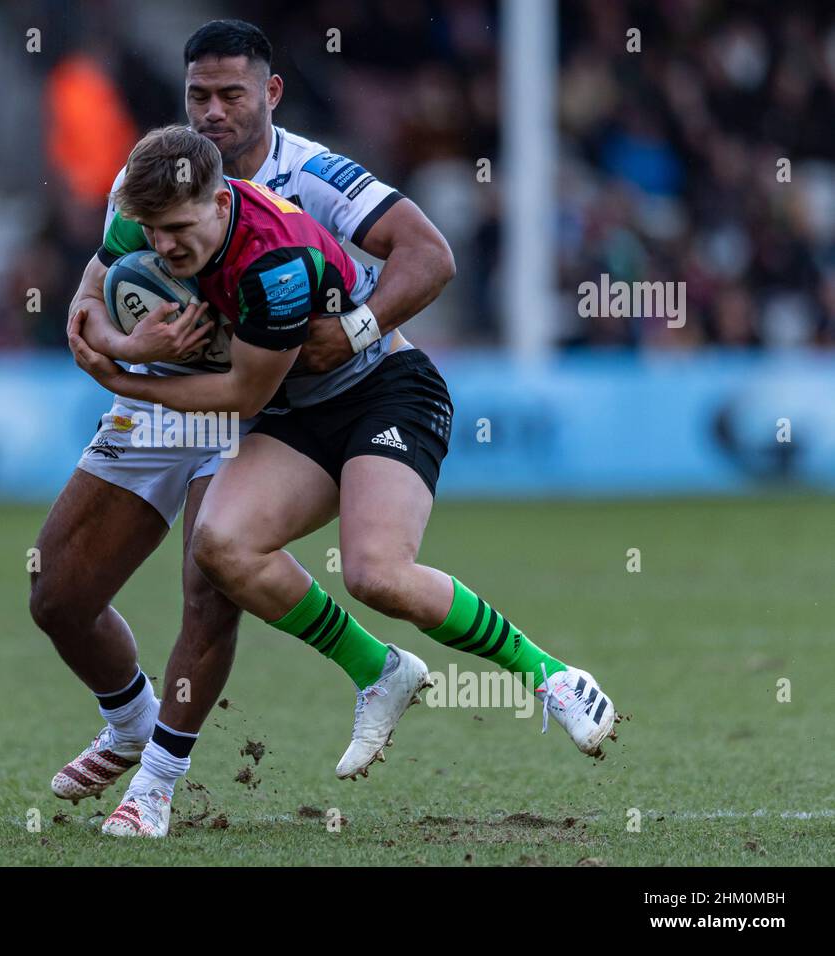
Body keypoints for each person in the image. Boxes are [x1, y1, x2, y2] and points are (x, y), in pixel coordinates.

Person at [70, 125, 618, 839]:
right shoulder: (140, 216)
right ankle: (377, 668)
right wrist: (123, 347)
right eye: (152, 232)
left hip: (383, 393)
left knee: (378, 573)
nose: (163, 247)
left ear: (216, 200)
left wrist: (117, 375)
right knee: (222, 546)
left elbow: (238, 396)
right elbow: (89, 296)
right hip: (297, 412)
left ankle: (552, 676)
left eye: (177, 231)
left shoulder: (274, 260)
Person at [33, 19, 455, 810]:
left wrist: (356, 328)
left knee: (209, 582)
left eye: (232, 94)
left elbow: (429, 254)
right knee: (57, 594)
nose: (214, 111)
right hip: (163, 393)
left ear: (271, 93)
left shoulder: (315, 175)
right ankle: (129, 723)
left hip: (255, 404)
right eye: (199, 95)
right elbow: (92, 292)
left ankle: (156, 786)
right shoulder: (156, 177)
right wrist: (121, 341)